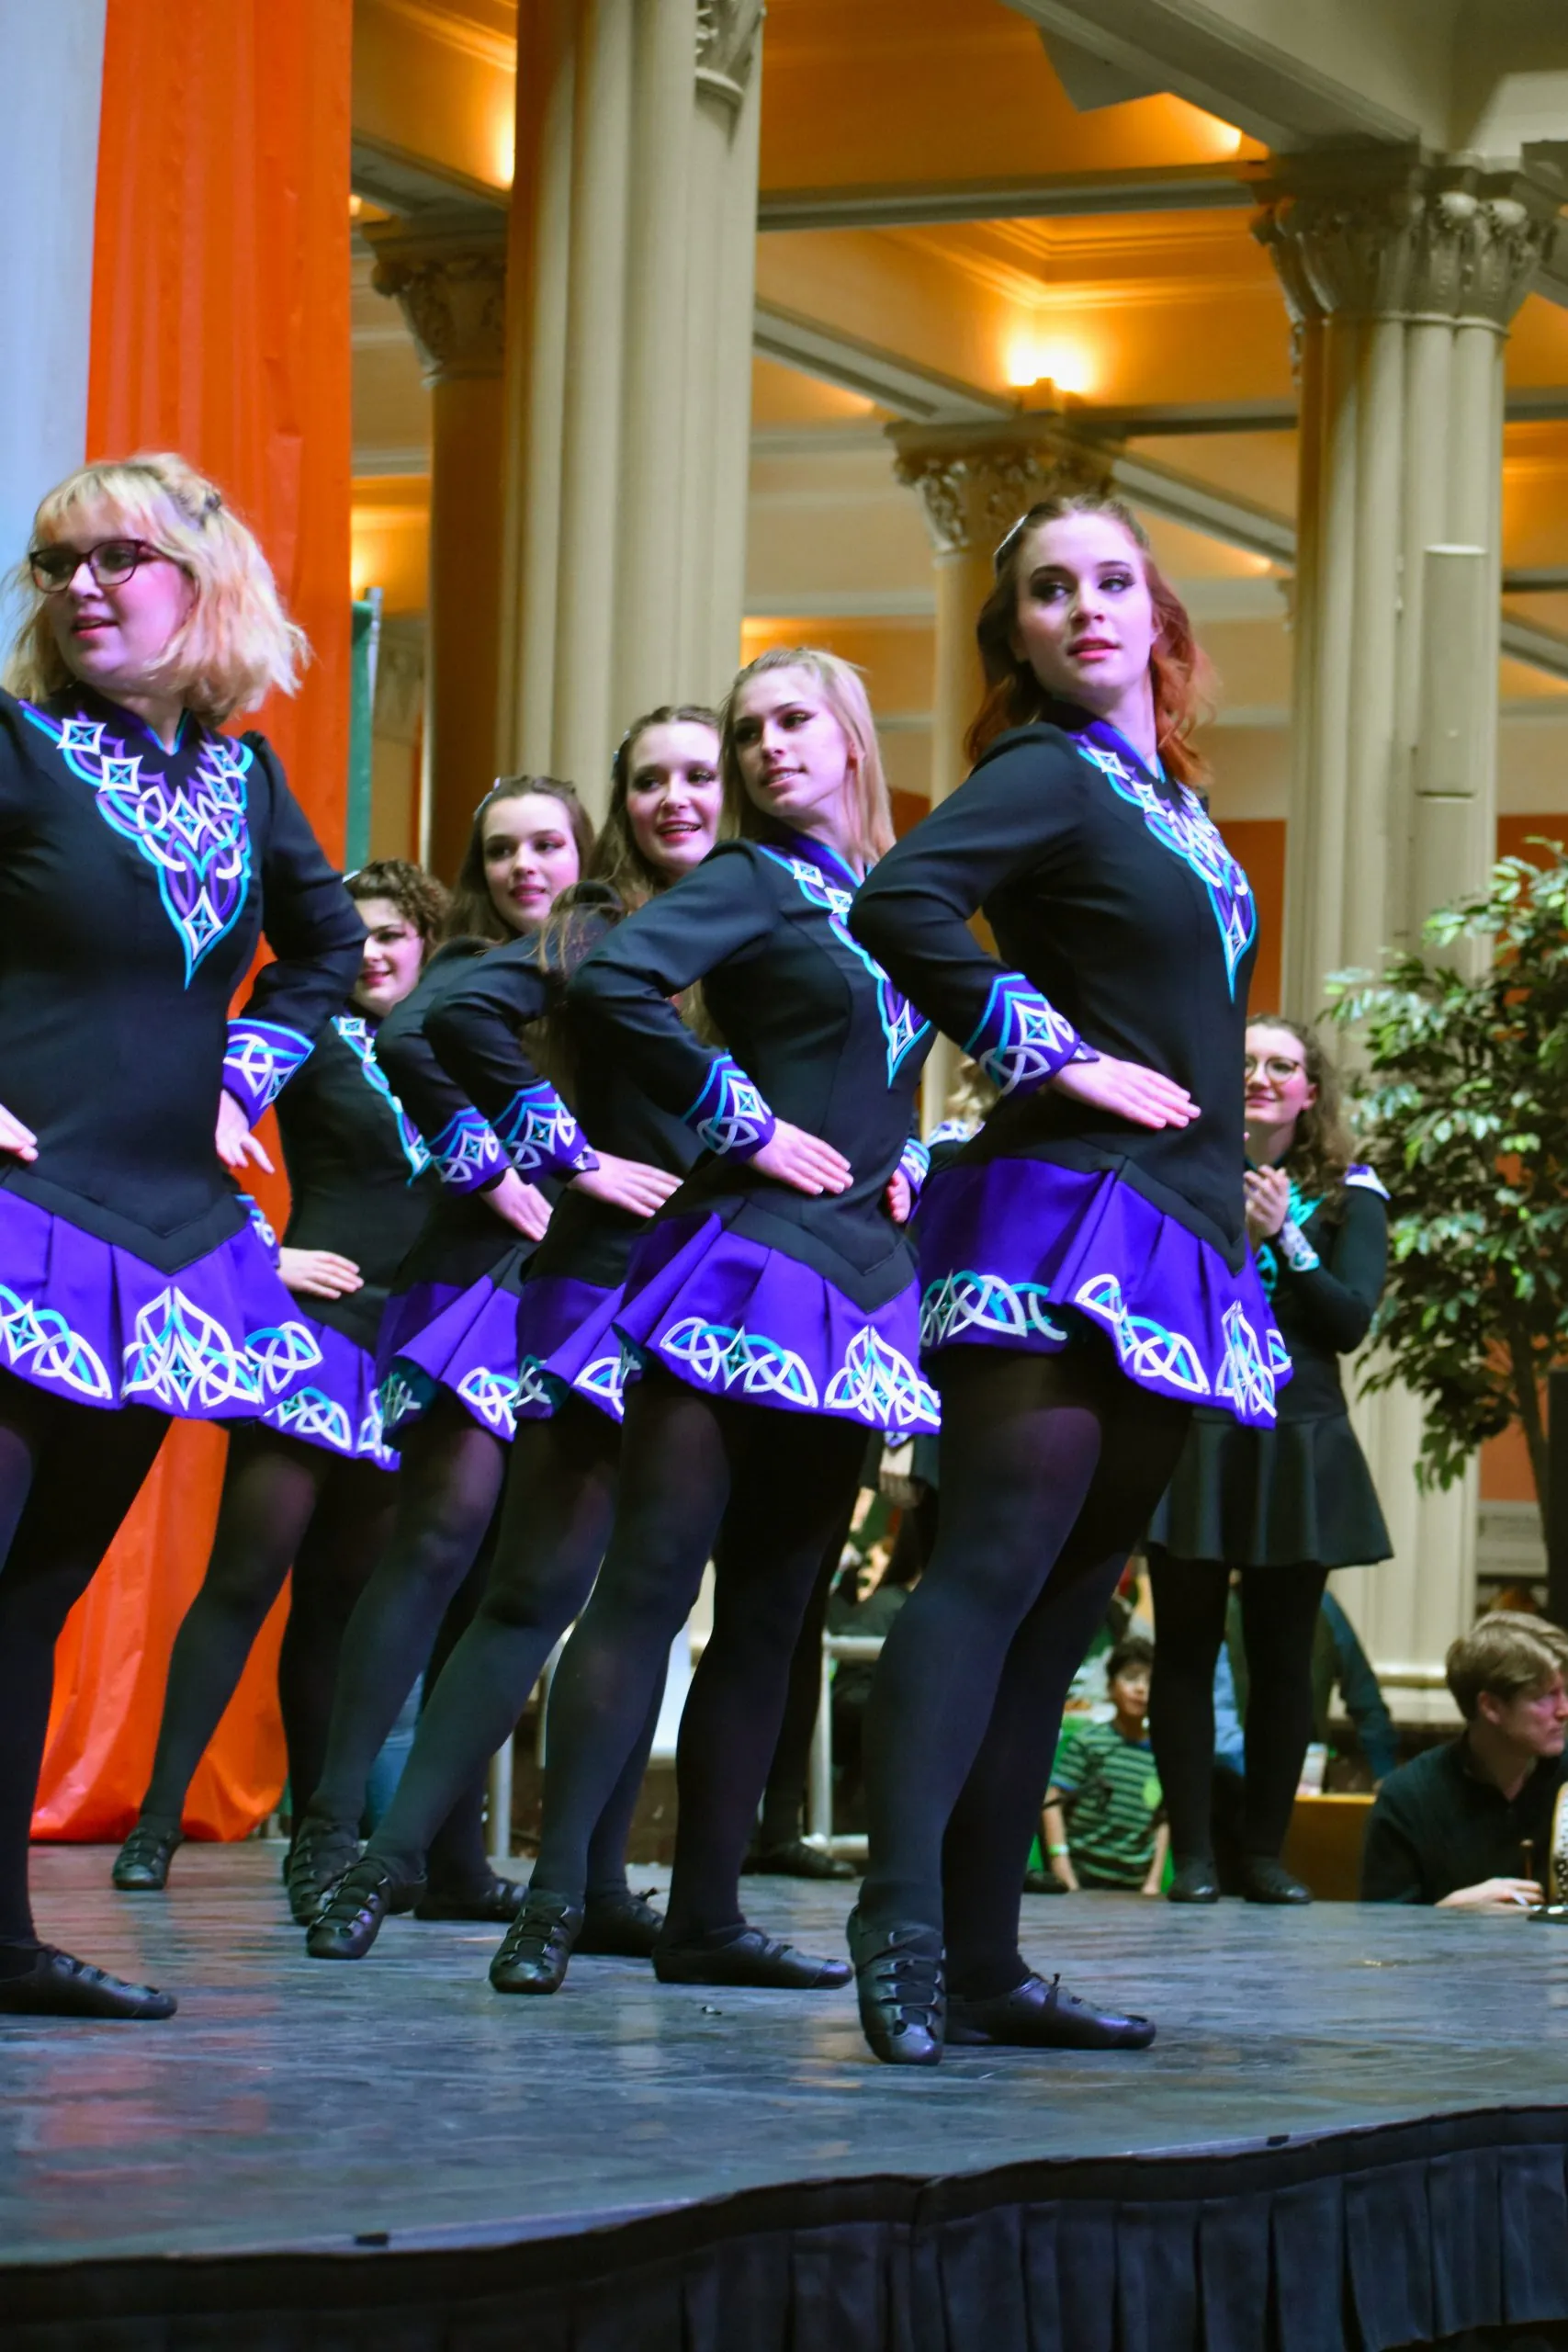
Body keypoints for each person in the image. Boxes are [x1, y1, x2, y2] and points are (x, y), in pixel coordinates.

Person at [846, 490, 1282, 2065]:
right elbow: (893, 900)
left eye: (1112, 582)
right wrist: (1049, 1049)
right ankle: (894, 1930)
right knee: (986, 1572)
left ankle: (984, 1963)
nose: (1085, 608)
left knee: (1065, 1612)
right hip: (1054, 1211)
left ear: (1157, 616)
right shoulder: (1041, 770)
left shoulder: (1175, 802)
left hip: (1174, 1227)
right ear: (1015, 634)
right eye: (1047, 591)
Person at [491, 645, 940, 1999]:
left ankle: (705, 1918)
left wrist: (901, 1152)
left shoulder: (882, 897)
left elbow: (883, 1053)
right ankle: (555, 1903)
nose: (765, 750)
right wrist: (736, 1116)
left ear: (852, 738)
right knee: (650, 1581)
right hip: (738, 1260)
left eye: (792, 722)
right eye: (748, 732)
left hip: (856, 1272)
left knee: (773, 1607)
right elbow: (613, 986)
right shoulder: (746, 878)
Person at [0, 453, 364, 2016]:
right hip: (20, 1212)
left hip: (162, 1230)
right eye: (53, 565)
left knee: (42, 1586)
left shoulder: (249, 774)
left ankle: (2, 1942)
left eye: (117, 558)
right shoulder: (11, 750)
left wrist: (245, 1072)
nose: (80, 587)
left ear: (200, 580)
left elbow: (321, 948)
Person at [304, 707, 723, 1962]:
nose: (524, 867)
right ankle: (354, 1845)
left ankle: (574, 1883)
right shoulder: (586, 934)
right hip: (538, 1272)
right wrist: (544, 1150)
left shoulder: (748, 920)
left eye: (697, 773)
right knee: (474, 1563)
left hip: (687, 1278)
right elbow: (421, 1030)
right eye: (501, 851)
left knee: (617, 1589)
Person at [284, 778, 603, 1924]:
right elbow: (414, 1055)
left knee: (504, 1583)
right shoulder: (464, 966)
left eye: (548, 844)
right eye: (504, 848)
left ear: (584, 851)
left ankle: (452, 1857)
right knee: (433, 1546)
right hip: (473, 1275)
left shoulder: (620, 960)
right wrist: (506, 1162)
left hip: (582, 1289)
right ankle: (326, 1828)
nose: (527, 866)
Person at [110, 859, 446, 1897]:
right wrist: (265, 1252)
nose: (375, 952)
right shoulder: (301, 1032)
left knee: (340, 1602)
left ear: (427, 944)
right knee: (247, 1572)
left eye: (395, 933)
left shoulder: (447, 1046)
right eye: (359, 935)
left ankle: (318, 1835)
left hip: (410, 1341)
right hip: (316, 1332)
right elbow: (184, 1135)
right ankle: (154, 1827)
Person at [1145, 1018, 1391, 1905]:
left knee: (1286, 1656)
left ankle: (1260, 1853)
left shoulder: (1351, 1194)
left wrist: (1285, 1234)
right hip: (1196, 1422)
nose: (1259, 1076)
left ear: (1309, 1092)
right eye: (1244, 1061)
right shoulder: (1174, 1162)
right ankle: (1197, 1860)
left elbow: (1347, 1322)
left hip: (1297, 1436)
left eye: (1280, 1065)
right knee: (1183, 1647)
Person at [1360, 1612, 1568, 1907]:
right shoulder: (1408, 1798)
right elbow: (1380, 1937)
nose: (1564, 1711)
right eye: (1545, 1697)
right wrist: (1449, 1914)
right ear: (1492, 1707)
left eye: (1565, 1693)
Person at [1041, 1636, 1168, 1894]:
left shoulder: (1163, 1754)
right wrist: (1062, 1869)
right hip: (1082, 1877)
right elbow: (1052, 1801)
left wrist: (1152, 1883)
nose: (1141, 1689)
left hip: (1134, 1886)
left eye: (1150, 1681)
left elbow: (1163, 1820)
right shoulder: (1090, 1742)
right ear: (1111, 1686)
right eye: (1131, 1678)